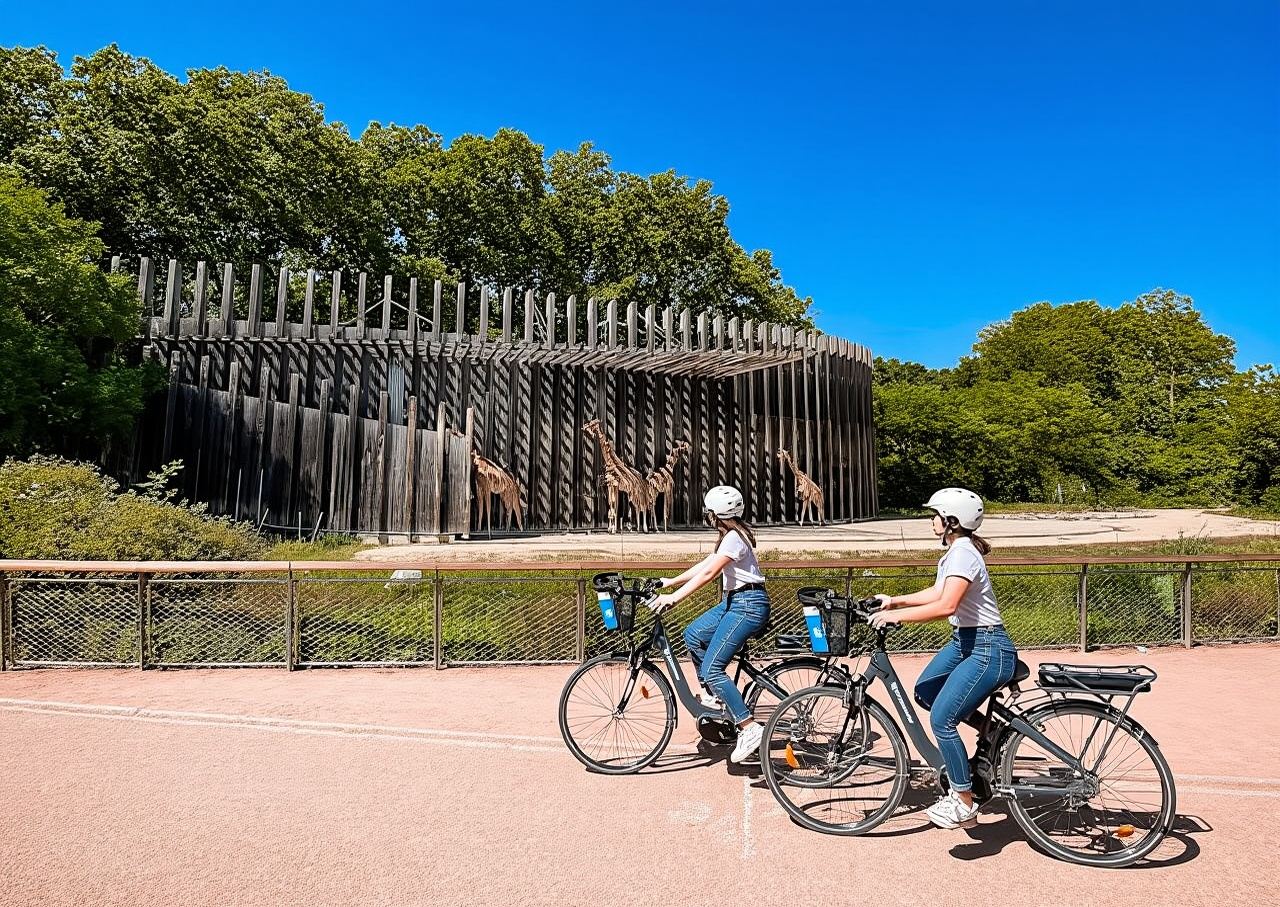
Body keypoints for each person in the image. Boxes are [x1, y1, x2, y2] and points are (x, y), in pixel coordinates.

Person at [868, 487, 1017, 829]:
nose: (931, 520)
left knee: (941, 720)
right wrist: (895, 601)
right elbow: (938, 592)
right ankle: (990, 729)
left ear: (951, 522)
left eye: (935, 515)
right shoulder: (957, 552)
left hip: (987, 648)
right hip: (965, 641)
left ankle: (963, 800)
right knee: (927, 691)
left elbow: (947, 606)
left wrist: (896, 618)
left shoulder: (964, 553)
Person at [649, 485, 770, 764]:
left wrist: (673, 599)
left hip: (748, 606)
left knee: (713, 669)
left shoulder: (734, 538)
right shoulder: (731, 535)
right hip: (736, 602)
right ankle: (715, 697)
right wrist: (671, 582)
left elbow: (709, 573)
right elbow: (706, 564)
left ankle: (749, 728)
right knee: (693, 634)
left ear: (715, 514)